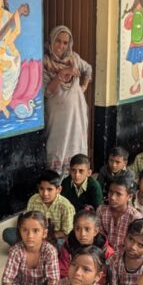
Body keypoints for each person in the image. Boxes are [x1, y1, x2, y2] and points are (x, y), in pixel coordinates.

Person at [44, 25, 92, 175]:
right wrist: (62, 73)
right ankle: (56, 182)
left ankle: (76, 178)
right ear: (51, 40)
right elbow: (47, 91)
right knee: (57, 145)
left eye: (65, 43)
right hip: (57, 114)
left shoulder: (74, 58)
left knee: (76, 144)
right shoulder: (44, 62)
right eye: (58, 41)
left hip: (77, 112)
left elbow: (88, 69)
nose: (61, 46)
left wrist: (82, 87)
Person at [2, 169, 75, 246]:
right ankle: (37, 249)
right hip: (34, 234)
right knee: (8, 233)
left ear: (58, 189)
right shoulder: (33, 200)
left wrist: (45, 237)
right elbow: (28, 222)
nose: (45, 193)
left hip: (53, 238)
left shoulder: (66, 206)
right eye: (41, 189)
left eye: (49, 189)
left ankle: (32, 248)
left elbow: (66, 233)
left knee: (62, 244)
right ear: (38, 187)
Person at [58, 210, 114, 285]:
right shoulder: (68, 247)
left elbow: (106, 276)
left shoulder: (106, 251)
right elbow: (63, 271)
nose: (82, 234)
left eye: (87, 229)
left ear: (95, 231)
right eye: (77, 229)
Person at [96, 177, 143, 251]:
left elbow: (135, 244)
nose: (112, 197)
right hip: (104, 252)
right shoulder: (101, 211)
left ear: (129, 197)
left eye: (118, 194)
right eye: (110, 192)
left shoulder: (135, 217)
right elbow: (100, 236)